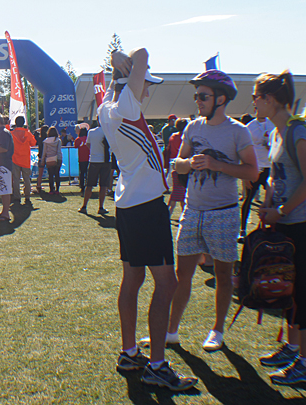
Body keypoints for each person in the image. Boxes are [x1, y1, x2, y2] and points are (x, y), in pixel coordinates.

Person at [102, 48, 197, 391]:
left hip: (131, 206)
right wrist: (121, 58)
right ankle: (157, 365)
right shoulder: (126, 107)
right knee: (166, 283)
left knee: (133, 280)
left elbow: (123, 82)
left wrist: (116, 64)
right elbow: (141, 54)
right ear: (129, 85)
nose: (148, 89)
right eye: (144, 84)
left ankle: (130, 352)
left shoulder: (107, 108)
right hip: (145, 209)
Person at [159, 71, 258, 354]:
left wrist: (217, 166)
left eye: (203, 96)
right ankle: (171, 331)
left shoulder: (239, 131)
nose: (197, 100)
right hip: (192, 210)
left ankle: (217, 330)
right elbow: (178, 165)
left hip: (224, 212)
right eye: (196, 96)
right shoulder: (191, 127)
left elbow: (251, 171)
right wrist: (189, 162)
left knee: (224, 274)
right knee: (182, 274)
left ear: (221, 98)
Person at [250, 71, 306, 385]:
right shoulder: (275, 132)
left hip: (300, 224)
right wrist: (268, 205)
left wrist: (281, 210)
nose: (253, 103)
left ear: (270, 99)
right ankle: (293, 347)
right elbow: (275, 175)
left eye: (256, 97)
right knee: (288, 289)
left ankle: (304, 363)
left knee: (302, 293)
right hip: (283, 223)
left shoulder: (298, 130)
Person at [239, 114, 275, 241]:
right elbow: (242, 150)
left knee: (273, 199)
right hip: (256, 168)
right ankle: (242, 230)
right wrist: (245, 176)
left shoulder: (272, 124)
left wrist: (270, 146)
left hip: (270, 168)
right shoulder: (250, 127)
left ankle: (271, 228)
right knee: (248, 199)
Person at [79, 122, 111, 215]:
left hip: (94, 160)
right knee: (103, 185)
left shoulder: (91, 132)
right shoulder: (109, 131)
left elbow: (88, 144)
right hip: (106, 160)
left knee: (89, 185)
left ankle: (84, 206)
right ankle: (101, 207)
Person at [165, 119, 189, 216]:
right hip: (183, 162)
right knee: (183, 188)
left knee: (174, 187)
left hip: (173, 161)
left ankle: (169, 211)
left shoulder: (173, 136)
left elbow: (168, 148)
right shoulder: (186, 137)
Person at [11, 116, 37, 205]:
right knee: (27, 180)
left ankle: (17, 196)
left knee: (16, 179)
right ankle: (27, 196)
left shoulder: (12, 133)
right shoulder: (28, 133)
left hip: (15, 159)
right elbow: (33, 143)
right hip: (25, 159)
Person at [41, 127, 63, 195]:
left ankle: (51, 190)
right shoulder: (58, 140)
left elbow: (44, 152)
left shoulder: (46, 141)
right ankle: (57, 189)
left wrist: (42, 160)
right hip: (57, 158)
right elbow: (59, 151)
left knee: (50, 175)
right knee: (57, 174)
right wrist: (60, 158)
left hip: (49, 159)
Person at [74, 127, 90, 196]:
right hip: (89, 157)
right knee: (88, 173)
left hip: (81, 158)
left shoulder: (78, 139)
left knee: (82, 173)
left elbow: (75, 146)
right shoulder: (89, 139)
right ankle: (88, 185)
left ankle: (82, 186)